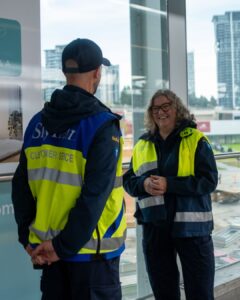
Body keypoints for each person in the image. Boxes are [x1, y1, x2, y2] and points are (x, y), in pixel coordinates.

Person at [12, 38, 127, 300]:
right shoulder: (102, 125)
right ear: (98, 72)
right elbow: (94, 196)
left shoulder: (37, 123)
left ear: (65, 72)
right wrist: (63, 247)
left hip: (48, 252)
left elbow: (20, 187)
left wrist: (28, 240)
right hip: (91, 258)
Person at [123, 89, 218, 300]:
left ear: (177, 109)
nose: (160, 112)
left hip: (192, 229)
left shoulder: (195, 140)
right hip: (155, 228)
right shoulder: (142, 145)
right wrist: (143, 184)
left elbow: (209, 181)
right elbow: (129, 181)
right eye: (155, 108)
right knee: (164, 292)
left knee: (200, 292)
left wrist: (170, 185)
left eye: (166, 106)